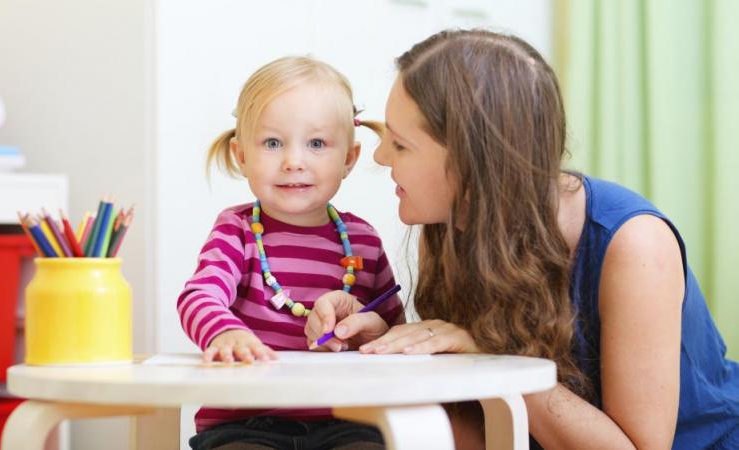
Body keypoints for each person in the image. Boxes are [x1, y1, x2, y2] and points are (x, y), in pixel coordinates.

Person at [306, 30, 738, 449]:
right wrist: (391, 348)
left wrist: (494, 364)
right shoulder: (450, 224)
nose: (380, 157)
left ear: (472, 160)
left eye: (400, 145)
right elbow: (485, 429)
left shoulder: (634, 244)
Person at [178, 56, 404, 450]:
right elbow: (198, 296)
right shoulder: (238, 230)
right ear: (242, 156)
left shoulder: (363, 240)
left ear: (348, 158)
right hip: (245, 422)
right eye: (272, 143)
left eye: (316, 143)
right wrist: (226, 332)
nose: (293, 162)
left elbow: (395, 336)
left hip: (348, 422)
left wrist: (373, 336)